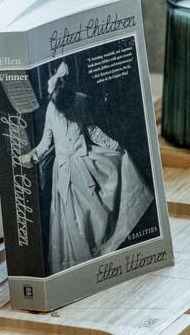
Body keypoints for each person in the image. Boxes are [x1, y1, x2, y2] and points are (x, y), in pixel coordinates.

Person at [17, 62, 152, 268]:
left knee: (97, 209)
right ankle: (81, 262)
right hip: (64, 171)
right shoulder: (51, 109)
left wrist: (114, 145)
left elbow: (93, 131)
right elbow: (46, 142)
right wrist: (32, 155)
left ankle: (102, 249)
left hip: (85, 162)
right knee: (72, 220)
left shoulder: (80, 100)